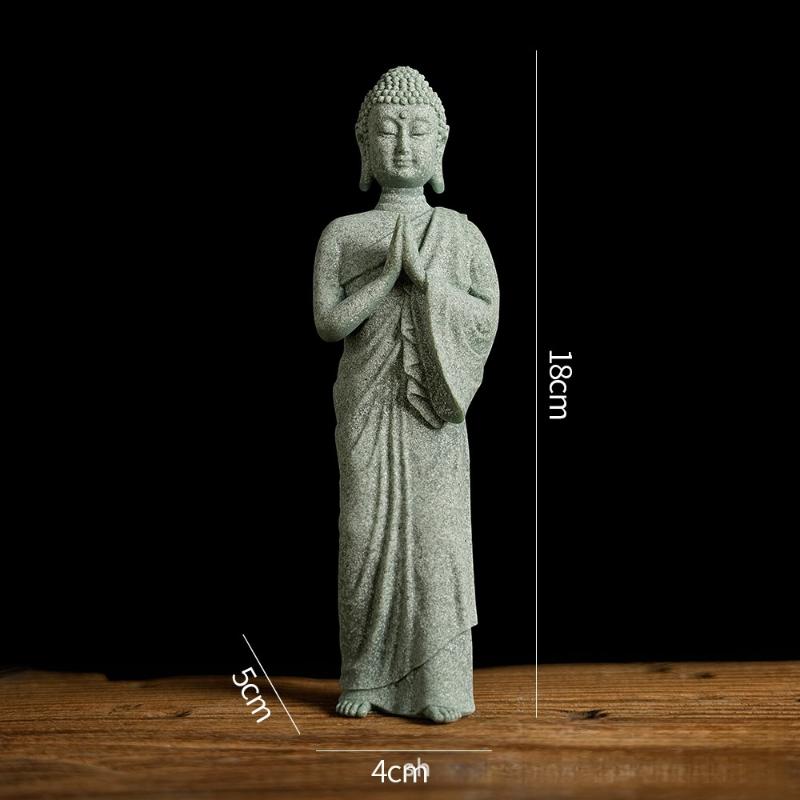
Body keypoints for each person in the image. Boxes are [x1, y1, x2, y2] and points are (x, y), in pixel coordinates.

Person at [313, 66, 499, 724]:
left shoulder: (460, 235)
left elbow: (486, 316)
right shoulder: (344, 233)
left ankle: (440, 685)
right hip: (367, 408)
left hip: (434, 417)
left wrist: (425, 284)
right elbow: (327, 323)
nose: (401, 146)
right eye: (387, 131)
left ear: (440, 145)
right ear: (362, 143)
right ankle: (364, 677)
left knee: (437, 542)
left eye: (417, 132)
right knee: (362, 535)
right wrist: (386, 275)